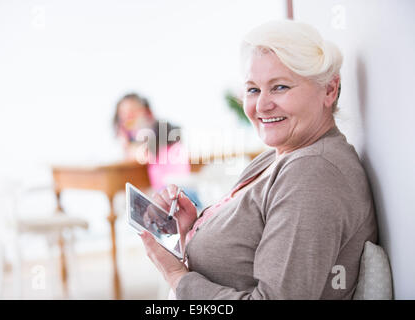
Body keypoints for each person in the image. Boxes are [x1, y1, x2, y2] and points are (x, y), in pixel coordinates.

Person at [139, 20, 378, 299]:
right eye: (253, 89)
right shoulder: (278, 156)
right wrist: (192, 230)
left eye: (280, 87)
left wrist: (176, 277)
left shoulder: (313, 173)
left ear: (329, 90)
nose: (261, 106)